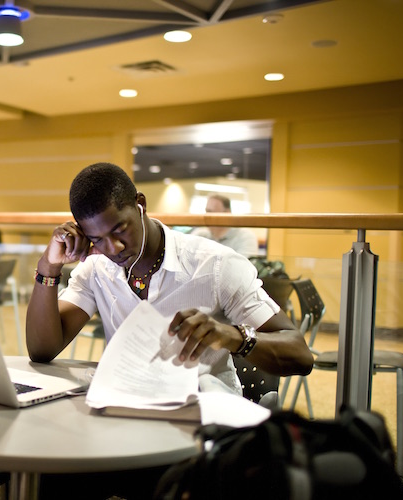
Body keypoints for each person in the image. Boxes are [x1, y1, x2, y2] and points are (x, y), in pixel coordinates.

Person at [26, 162, 313, 499]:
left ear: (140, 204)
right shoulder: (96, 268)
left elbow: (300, 354)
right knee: (50, 473)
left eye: (120, 230)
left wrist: (234, 336)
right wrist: (49, 267)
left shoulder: (215, 265)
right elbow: (42, 348)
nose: (113, 248)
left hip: (199, 426)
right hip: (126, 417)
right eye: (97, 239)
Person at [191, 193, 260, 257]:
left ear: (227, 213)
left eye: (210, 212)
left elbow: (244, 267)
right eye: (206, 211)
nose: (206, 216)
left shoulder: (245, 236)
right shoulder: (200, 235)